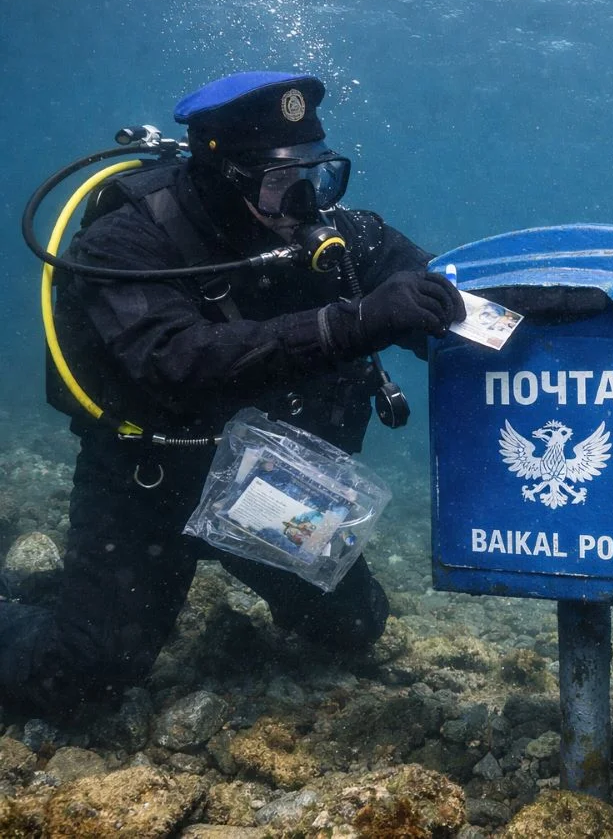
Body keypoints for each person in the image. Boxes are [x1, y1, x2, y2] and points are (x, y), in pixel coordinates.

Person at [0, 72, 464, 717]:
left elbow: (451, 301)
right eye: (279, 183)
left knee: (354, 630)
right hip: (150, 482)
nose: (304, 201)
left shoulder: (345, 237)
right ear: (222, 175)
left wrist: (553, 311)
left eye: (317, 175)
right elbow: (173, 359)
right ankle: (38, 606)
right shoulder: (127, 239)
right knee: (82, 677)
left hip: (265, 490)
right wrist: (350, 323)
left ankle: (81, 588)